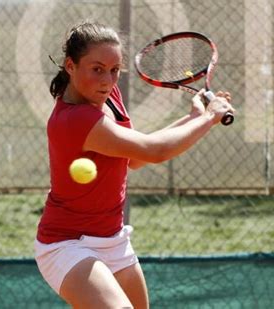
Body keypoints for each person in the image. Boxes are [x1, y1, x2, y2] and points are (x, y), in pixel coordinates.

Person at [35, 21, 235, 309]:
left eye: (115, 70)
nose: (107, 79)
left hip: (113, 239)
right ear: (70, 65)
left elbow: (137, 158)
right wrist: (209, 118)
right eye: (97, 69)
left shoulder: (107, 96)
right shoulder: (74, 120)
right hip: (67, 244)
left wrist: (194, 118)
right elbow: (156, 152)